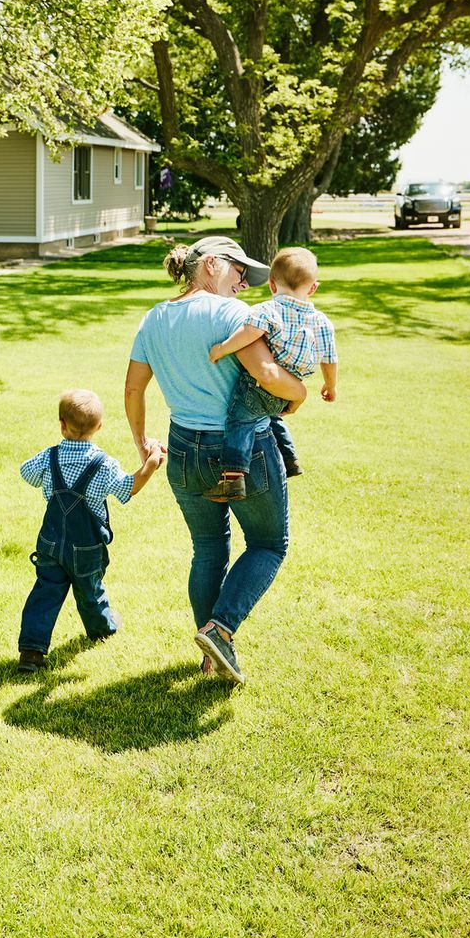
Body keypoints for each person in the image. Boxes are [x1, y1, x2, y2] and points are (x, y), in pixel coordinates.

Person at [125, 237, 306, 686]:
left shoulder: (154, 318)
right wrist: (301, 392)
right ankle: (219, 630)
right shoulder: (234, 316)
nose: (245, 283)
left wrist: (141, 440)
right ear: (209, 265)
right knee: (268, 544)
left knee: (207, 549)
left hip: (183, 447)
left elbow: (133, 389)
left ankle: (211, 656)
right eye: (239, 272)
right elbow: (268, 376)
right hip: (240, 451)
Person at [16, 389, 165, 672]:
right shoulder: (104, 465)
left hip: (50, 543)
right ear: (99, 427)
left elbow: (26, 471)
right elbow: (128, 488)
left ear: (61, 424)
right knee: (90, 590)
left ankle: (31, 652)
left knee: (45, 592)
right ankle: (102, 629)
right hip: (86, 548)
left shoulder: (49, 457)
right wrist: (150, 465)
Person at [202, 246, 339, 502]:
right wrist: (331, 386)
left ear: (272, 285)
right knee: (271, 416)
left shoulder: (268, 310)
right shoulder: (322, 322)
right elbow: (330, 359)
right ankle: (289, 458)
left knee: (240, 419)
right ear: (312, 288)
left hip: (260, 385)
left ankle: (232, 478)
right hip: (289, 388)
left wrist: (222, 349)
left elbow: (248, 333)